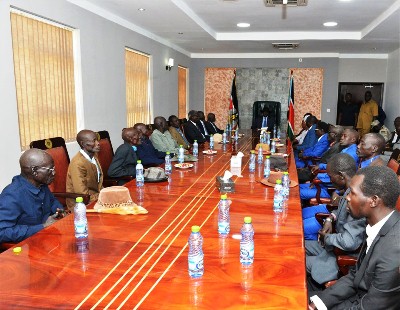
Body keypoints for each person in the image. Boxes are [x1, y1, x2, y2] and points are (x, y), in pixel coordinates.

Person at [309, 165, 400, 310]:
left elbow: (372, 306)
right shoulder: (376, 225)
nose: (346, 197)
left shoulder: (393, 250)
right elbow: (355, 277)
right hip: (356, 298)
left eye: (352, 193)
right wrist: (319, 303)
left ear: (373, 200)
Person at [303, 154, 366, 287]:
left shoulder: (359, 201)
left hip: (341, 255)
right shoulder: (350, 189)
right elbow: (339, 210)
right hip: (332, 247)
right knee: (296, 246)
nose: (330, 180)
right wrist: (330, 218)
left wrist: (327, 238)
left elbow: (349, 242)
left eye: (331, 177)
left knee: (298, 261)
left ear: (341, 176)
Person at [0, 149, 64, 243]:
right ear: (34, 170)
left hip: (46, 239)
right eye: (50, 169)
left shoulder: (41, 184)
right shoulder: (12, 195)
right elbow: (2, 232)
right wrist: (42, 227)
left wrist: (58, 211)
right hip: (25, 246)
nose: (54, 173)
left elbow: (52, 201)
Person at [66, 130, 103, 210]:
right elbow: (82, 195)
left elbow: (98, 183)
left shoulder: (94, 156)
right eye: (94, 141)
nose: (98, 143)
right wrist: (103, 196)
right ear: (83, 144)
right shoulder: (78, 163)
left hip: (96, 198)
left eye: (97, 140)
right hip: (80, 205)